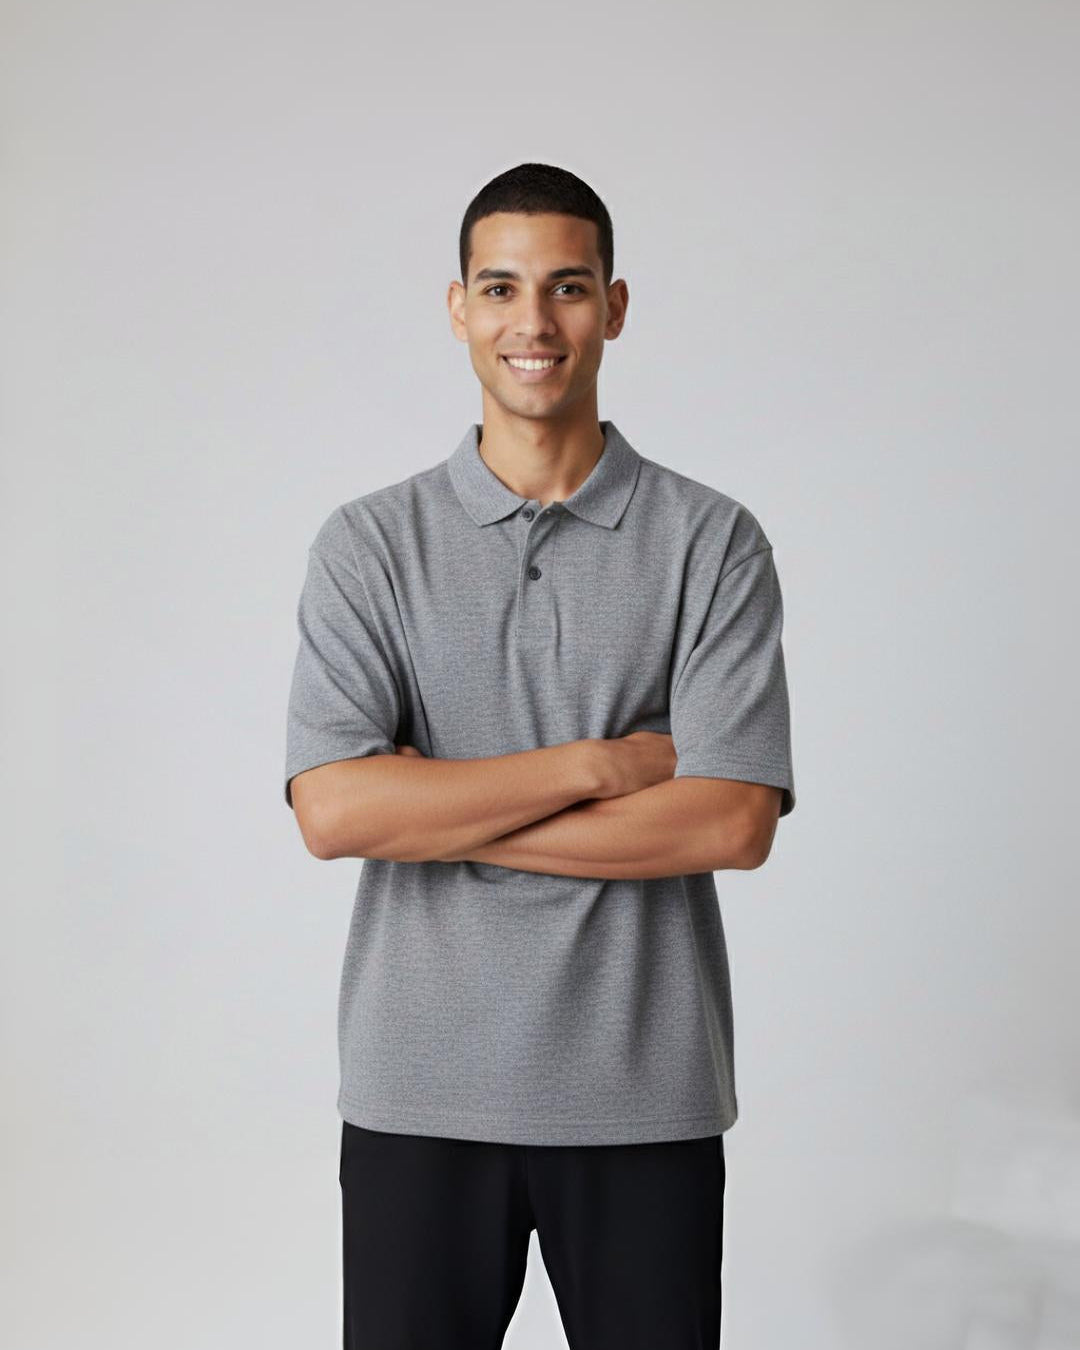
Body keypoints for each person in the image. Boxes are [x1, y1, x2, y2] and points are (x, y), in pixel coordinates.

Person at [283, 161, 796, 1350]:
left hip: (644, 1096)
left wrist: (439, 802)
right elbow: (335, 813)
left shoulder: (710, 541)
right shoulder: (369, 546)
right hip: (418, 1094)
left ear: (614, 306)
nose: (534, 322)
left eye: (567, 287)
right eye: (501, 287)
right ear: (458, 307)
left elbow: (729, 826)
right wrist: (600, 765)